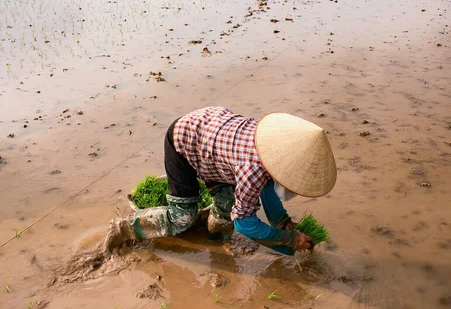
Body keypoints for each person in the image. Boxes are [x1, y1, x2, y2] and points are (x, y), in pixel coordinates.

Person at [104, 106, 337, 257]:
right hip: (185, 139)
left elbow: (266, 188)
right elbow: (244, 223)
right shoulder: (253, 168)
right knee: (183, 217)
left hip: (217, 147)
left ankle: (215, 245)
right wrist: (289, 240)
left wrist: (284, 223)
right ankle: (123, 228)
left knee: (227, 208)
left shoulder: (271, 149)